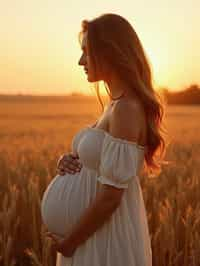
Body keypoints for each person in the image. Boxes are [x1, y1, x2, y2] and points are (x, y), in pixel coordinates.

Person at [44, 13, 166, 266]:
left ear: (110, 52)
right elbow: (97, 162)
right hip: (90, 236)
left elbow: (111, 197)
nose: (81, 61)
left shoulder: (127, 109)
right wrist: (67, 161)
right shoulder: (115, 105)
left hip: (104, 240)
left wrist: (70, 243)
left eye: (87, 52)